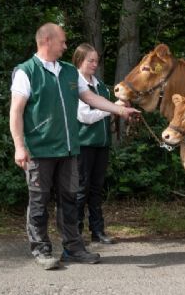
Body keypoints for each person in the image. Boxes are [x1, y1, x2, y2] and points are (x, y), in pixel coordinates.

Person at [9, 23, 139, 270]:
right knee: (39, 201)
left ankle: (73, 248)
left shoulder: (69, 71)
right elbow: (16, 112)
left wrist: (120, 110)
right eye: (62, 41)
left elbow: (90, 98)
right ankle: (42, 250)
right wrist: (19, 146)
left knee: (70, 200)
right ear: (47, 41)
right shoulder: (26, 72)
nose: (66, 46)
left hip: (69, 150)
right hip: (40, 150)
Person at [72, 43, 114, 244]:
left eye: (97, 61)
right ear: (80, 61)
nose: (95, 64)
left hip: (101, 144)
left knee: (97, 189)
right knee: (81, 189)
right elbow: (85, 116)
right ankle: (76, 233)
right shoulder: (75, 85)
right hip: (84, 144)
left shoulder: (101, 86)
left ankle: (97, 231)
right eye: (91, 60)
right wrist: (114, 109)